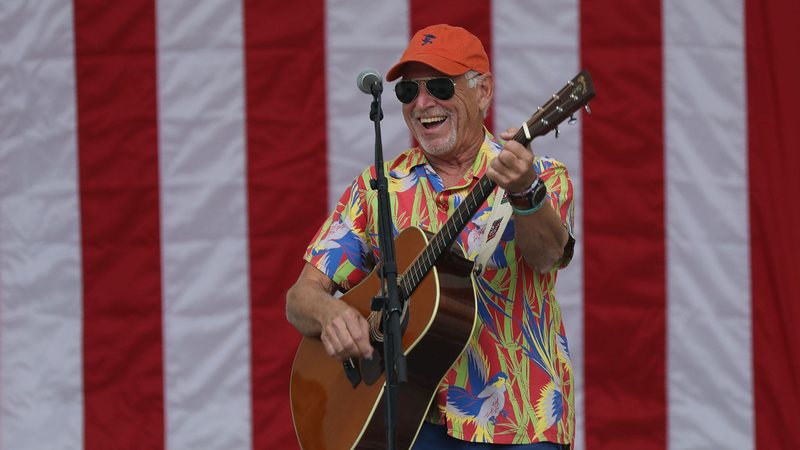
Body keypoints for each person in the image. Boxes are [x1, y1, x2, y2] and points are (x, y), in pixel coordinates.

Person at [286, 24, 575, 449]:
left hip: (520, 420)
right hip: (411, 424)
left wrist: (525, 194)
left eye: (440, 86)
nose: (423, 103)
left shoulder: (541, 176)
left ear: (483, 92)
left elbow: (548, 257)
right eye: (408, 92)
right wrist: (330, 315)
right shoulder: (377, 188)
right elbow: (300, 297)